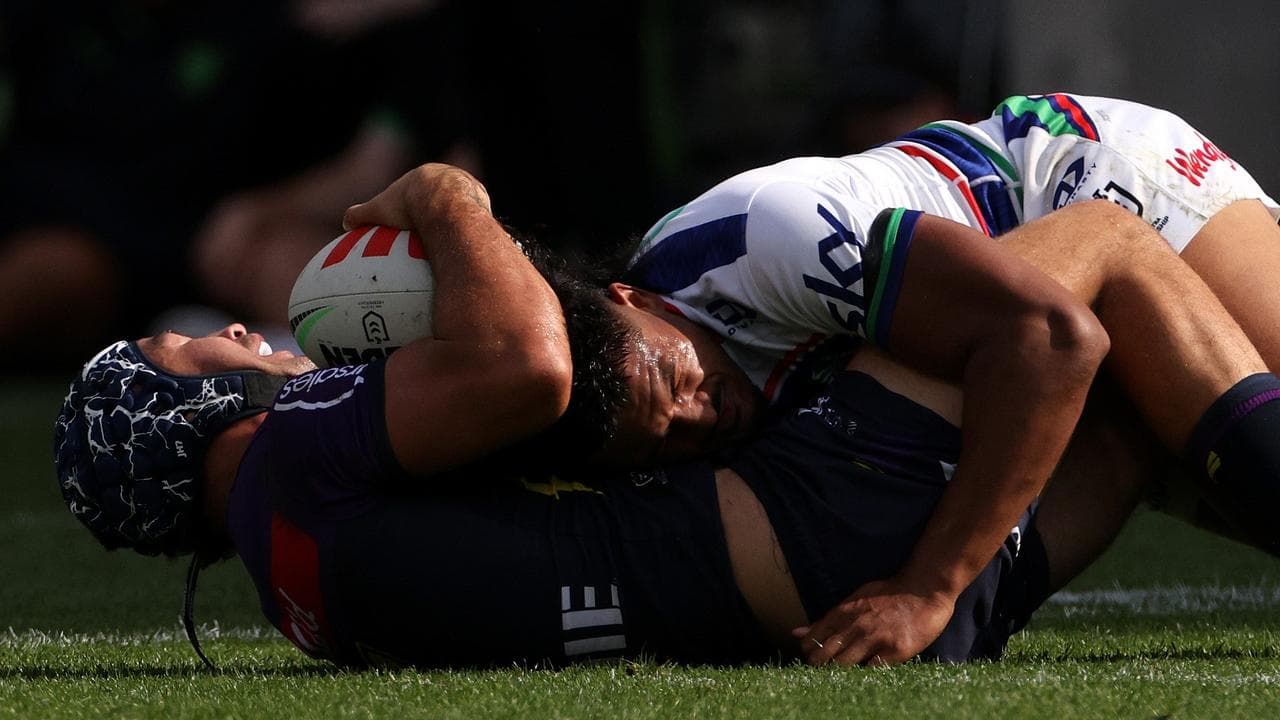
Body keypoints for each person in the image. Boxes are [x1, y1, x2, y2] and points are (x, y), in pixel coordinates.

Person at [52, 164, 1279, 669]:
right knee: (1102, 253)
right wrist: (444, 197)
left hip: (804, 602)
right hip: (839, 531)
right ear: (182, 409)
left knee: (1109, 406)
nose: (242, 336)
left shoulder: (295, 587)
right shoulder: (295, 461)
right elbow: (534, 369)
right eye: (193, 345)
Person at [546, 93, 1280, 663]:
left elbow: (1047, 338)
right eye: (663, 442)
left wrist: (929, 589)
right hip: (1029, 312)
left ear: (632, 297)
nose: (698, 418)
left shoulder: (763, 237)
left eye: (673, 382)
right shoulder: (664, 378)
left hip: (1087, 178)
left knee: (1264, 458)